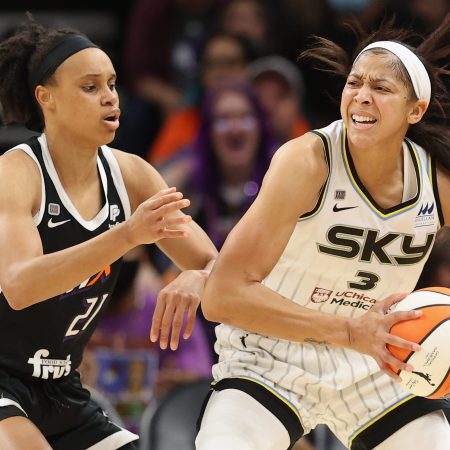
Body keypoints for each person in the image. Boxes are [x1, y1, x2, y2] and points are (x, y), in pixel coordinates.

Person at [196, 14, 450, 450]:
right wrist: (349, 331)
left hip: (379, 363)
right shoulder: (306, 161)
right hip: (272, 357)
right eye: (355, 84)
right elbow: (222, 296)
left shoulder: (436, 182)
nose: (361, 98)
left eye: (381, 88)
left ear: (416, 110)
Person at [0, 15, 217, 450]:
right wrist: (126, 235)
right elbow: (20, 286)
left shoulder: (134, 175)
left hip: (61, 387)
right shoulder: (16, 173)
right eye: (90, 86)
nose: (109, 98)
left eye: (113, 84)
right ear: (47, 98)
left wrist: (197, 277)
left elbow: (215, 263)